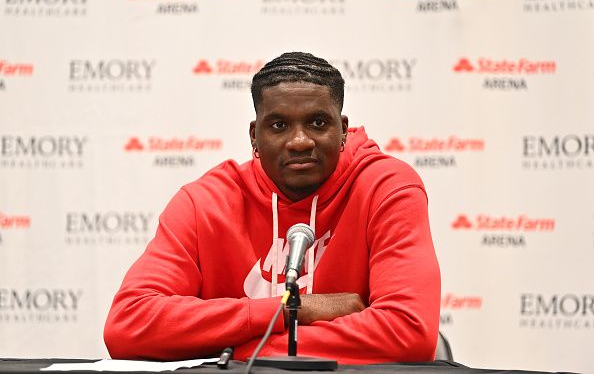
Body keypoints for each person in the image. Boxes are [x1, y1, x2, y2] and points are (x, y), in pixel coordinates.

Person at [104, 52, 440, 364]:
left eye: (318, 123)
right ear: (254, 136)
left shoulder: (387, 188)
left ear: (342, 129)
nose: (299, 141)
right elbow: (128, 324)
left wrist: (231, 350)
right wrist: (290, 311)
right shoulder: (203, 203)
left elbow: (408, 331)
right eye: (278, 125)